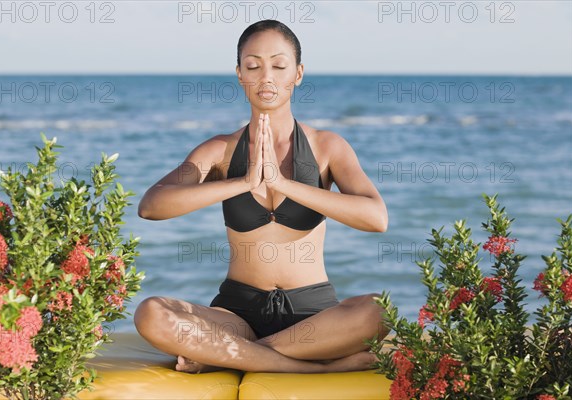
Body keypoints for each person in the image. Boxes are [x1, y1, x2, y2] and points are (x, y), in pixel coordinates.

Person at [134, 19, 389, 374]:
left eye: (279, 65)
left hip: (312, 316)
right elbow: (152, 206)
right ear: (240, 74)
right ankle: (315, 368)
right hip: (236, 314)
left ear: (298, 74)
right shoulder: (221, 150)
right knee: (151, 313)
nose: (266, 76)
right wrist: (242, 182)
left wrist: (283, 184)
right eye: (253, 66)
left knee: (379, 310)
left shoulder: (327, 147)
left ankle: (233, 355)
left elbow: (376, 218)